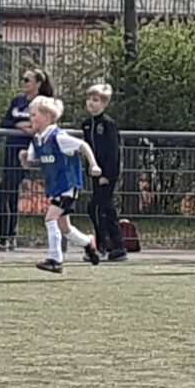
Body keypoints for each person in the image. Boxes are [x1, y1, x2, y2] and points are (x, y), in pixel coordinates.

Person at [18, 96, 102, 273]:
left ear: (47, 117)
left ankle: (56, 260)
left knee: (50, 218)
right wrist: (24, 159)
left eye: (34, 115)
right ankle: (88, 242)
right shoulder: (37, 141)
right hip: (55, 187)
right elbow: (31, 163)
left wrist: (93, 165)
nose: (30, 119)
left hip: (67, 186)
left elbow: (83, 145)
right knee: (65, 228)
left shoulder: (59, 137)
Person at [0, 69, 54, 251]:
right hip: (11, 150)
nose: (23, 82)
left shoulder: (43, 103)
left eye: (27, 79)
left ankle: (7, 236)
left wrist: (31, 127)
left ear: (38, 84)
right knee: (9, 192)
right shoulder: (17, 101)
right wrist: (20, 124)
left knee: (6, 190)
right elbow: (6, 122)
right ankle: (7, 236)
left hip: (27, 152)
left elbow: (42, 125)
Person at [82, 83, 128, 262]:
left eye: (95, 100)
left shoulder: (107, 124)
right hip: (94, 173)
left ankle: (103, 246)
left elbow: (113, 152)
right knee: (104, 209)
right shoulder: (87, 125)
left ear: (104, 104)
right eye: (89, 99)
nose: (91, 103)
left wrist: (107, 175)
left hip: (106, 175)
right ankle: (116, 246)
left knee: (97, 207)